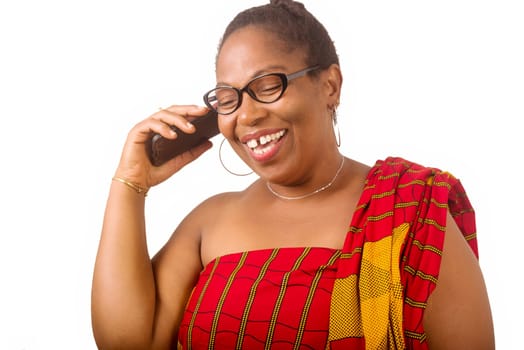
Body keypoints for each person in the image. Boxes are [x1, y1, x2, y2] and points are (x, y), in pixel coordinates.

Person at [91, 0, 495, 349]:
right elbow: (129, 342)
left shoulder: (409, 210)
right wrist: (130, 183)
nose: (246, 115)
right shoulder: (208, 222)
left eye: (268, 85)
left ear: (330, 85)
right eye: (228, 98)